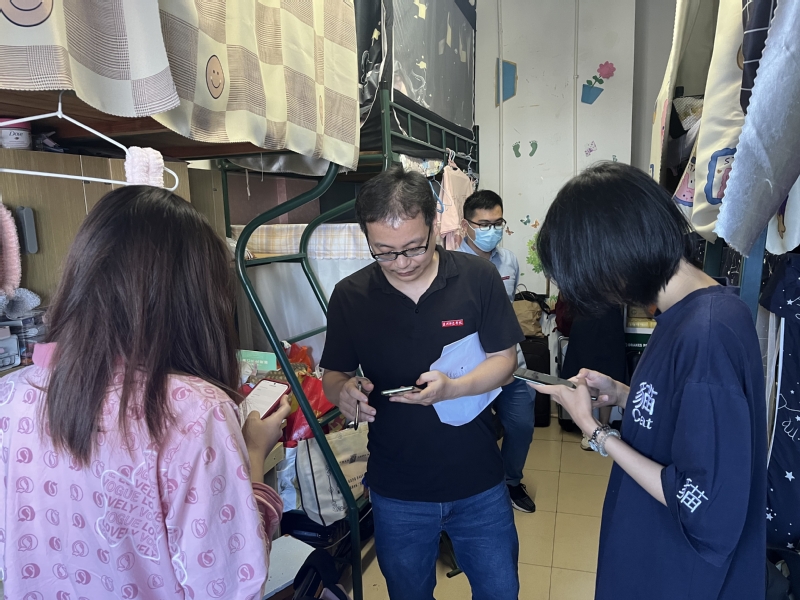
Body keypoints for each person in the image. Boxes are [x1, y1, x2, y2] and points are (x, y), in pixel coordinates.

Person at [0, 186, 291, 599]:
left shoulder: (12, 394)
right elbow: (232, 582)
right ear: (195, 298)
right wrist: (254, 451)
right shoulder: (195, 412)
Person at [533, 162, 766, 600]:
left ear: (615, 257)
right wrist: (623, 394)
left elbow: (705, 506)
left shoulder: (706, 334)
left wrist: (596, 431)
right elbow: (689, 415)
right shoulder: (692, 312)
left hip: (680, 573)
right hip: (652, 546)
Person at [320, 167, 524, 600]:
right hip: (398, 488)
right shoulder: (351, 296)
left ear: (435, 224)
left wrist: (453, 388)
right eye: (384, 252)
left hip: (478, 480)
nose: (402, 263)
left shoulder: (477, 278)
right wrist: (344, 394)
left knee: (500, 591)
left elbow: (505, 363)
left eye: (414, 247)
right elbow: (333, 375)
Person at [456, 189, 537, 512]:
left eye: (497, 223)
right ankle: (478, 491)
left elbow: (506, 311)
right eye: (484, 224)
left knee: (522, 426)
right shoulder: (451, 264)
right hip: (471, 365)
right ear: (465, 225)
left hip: (511, 360)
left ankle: (511, 482)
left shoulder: (509, 261)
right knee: (473, 433)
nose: (492, 230)